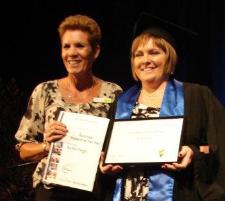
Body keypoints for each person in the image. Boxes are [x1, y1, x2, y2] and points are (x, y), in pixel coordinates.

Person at [100, 12, 225, 201]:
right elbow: (109, 152)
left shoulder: (197, 96)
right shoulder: (121, 102)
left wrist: (194, 152)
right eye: (138, 55)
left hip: (179, 192)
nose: (145, 60)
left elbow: (218, 145)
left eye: (154, 52)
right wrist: (103, 164)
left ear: (169, 58)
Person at [15, 14, 122, 201]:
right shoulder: (45, 91)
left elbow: (120, 146)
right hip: (51, 191)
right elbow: (22, 149)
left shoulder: (113, 93)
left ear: (95, 51)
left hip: (96, 190)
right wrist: (47, 145)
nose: (71, 53)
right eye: (66, 46)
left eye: (80, 46)